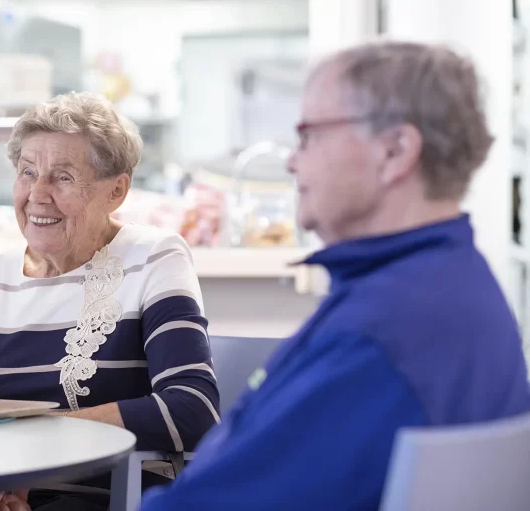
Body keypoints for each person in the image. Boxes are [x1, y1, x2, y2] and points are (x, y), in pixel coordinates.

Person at [139, 41, 530, 510]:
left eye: (309, 135)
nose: (290, 160)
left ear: (394, 151)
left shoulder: (376, 338)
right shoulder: (455, 285)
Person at [0, 92, 219, 511]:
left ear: (116, 191)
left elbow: (192, 410)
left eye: (63, 177)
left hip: (107, 497)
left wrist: (37, 444)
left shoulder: (154, 257)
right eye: (27, 173)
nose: (38, 194)